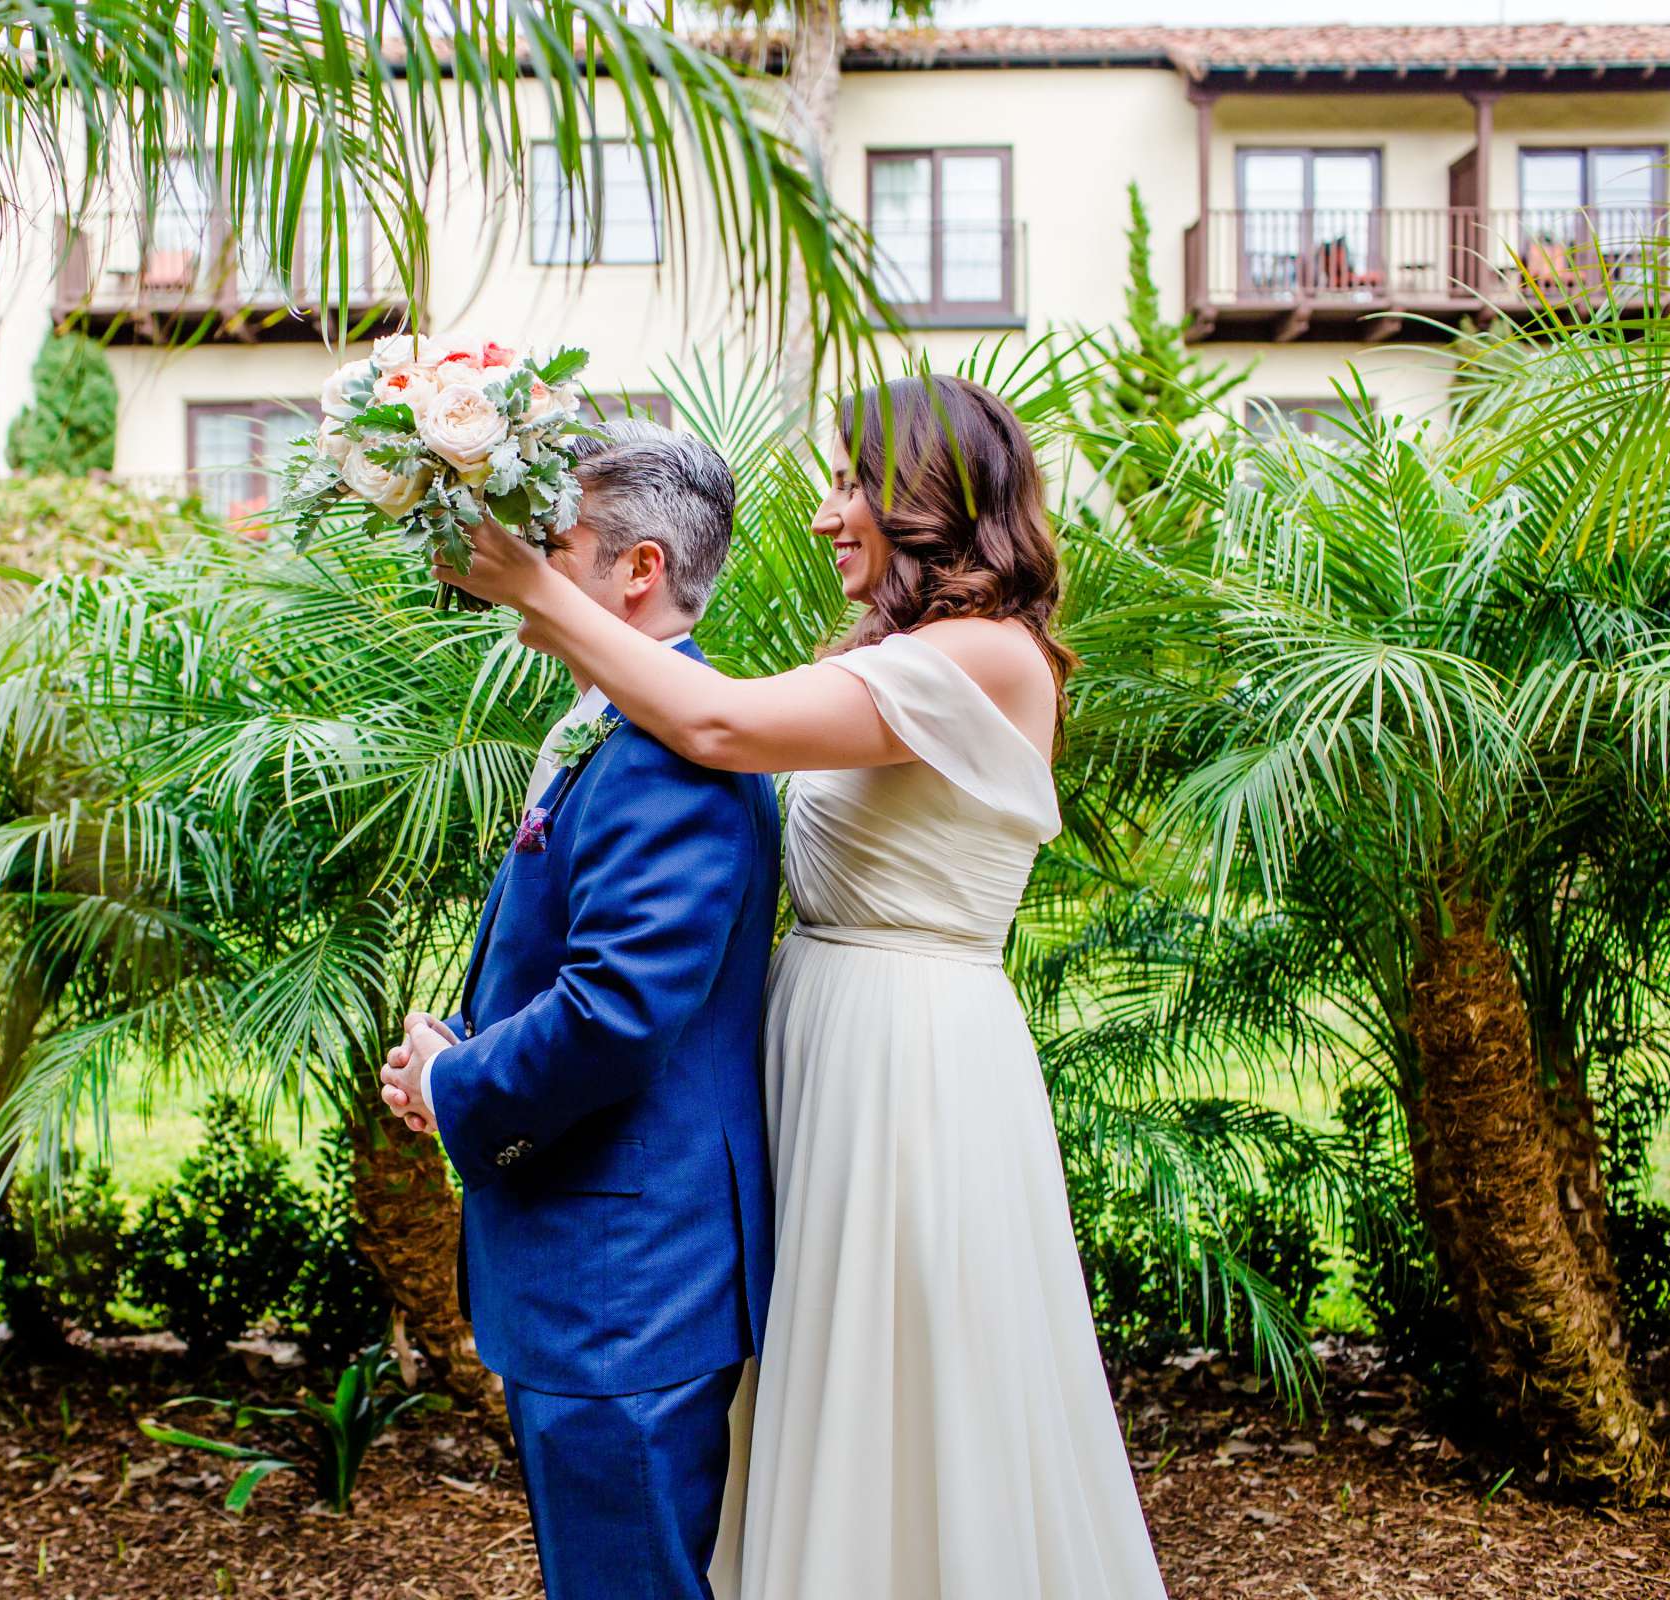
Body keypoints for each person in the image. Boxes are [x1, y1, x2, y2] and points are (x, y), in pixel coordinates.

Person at [427, 375, 1169, 1599]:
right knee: (835, 1412)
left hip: (910, 1070)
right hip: (824, 1055)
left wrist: (538, 585)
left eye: (850, 482)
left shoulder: (985, 656)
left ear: (930, 496)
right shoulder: (898, 654)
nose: (827, 514)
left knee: (920, 1407)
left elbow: (714, 724)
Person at [376, 419, 781, 1600]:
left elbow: (615, 1009)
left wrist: (453, 1088)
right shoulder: (628, 722)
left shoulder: (668, 755)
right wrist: (460, 1042)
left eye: (555, 540)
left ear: (639, 568)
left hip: (626, 1283)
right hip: (601, 1270)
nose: (523, 562)